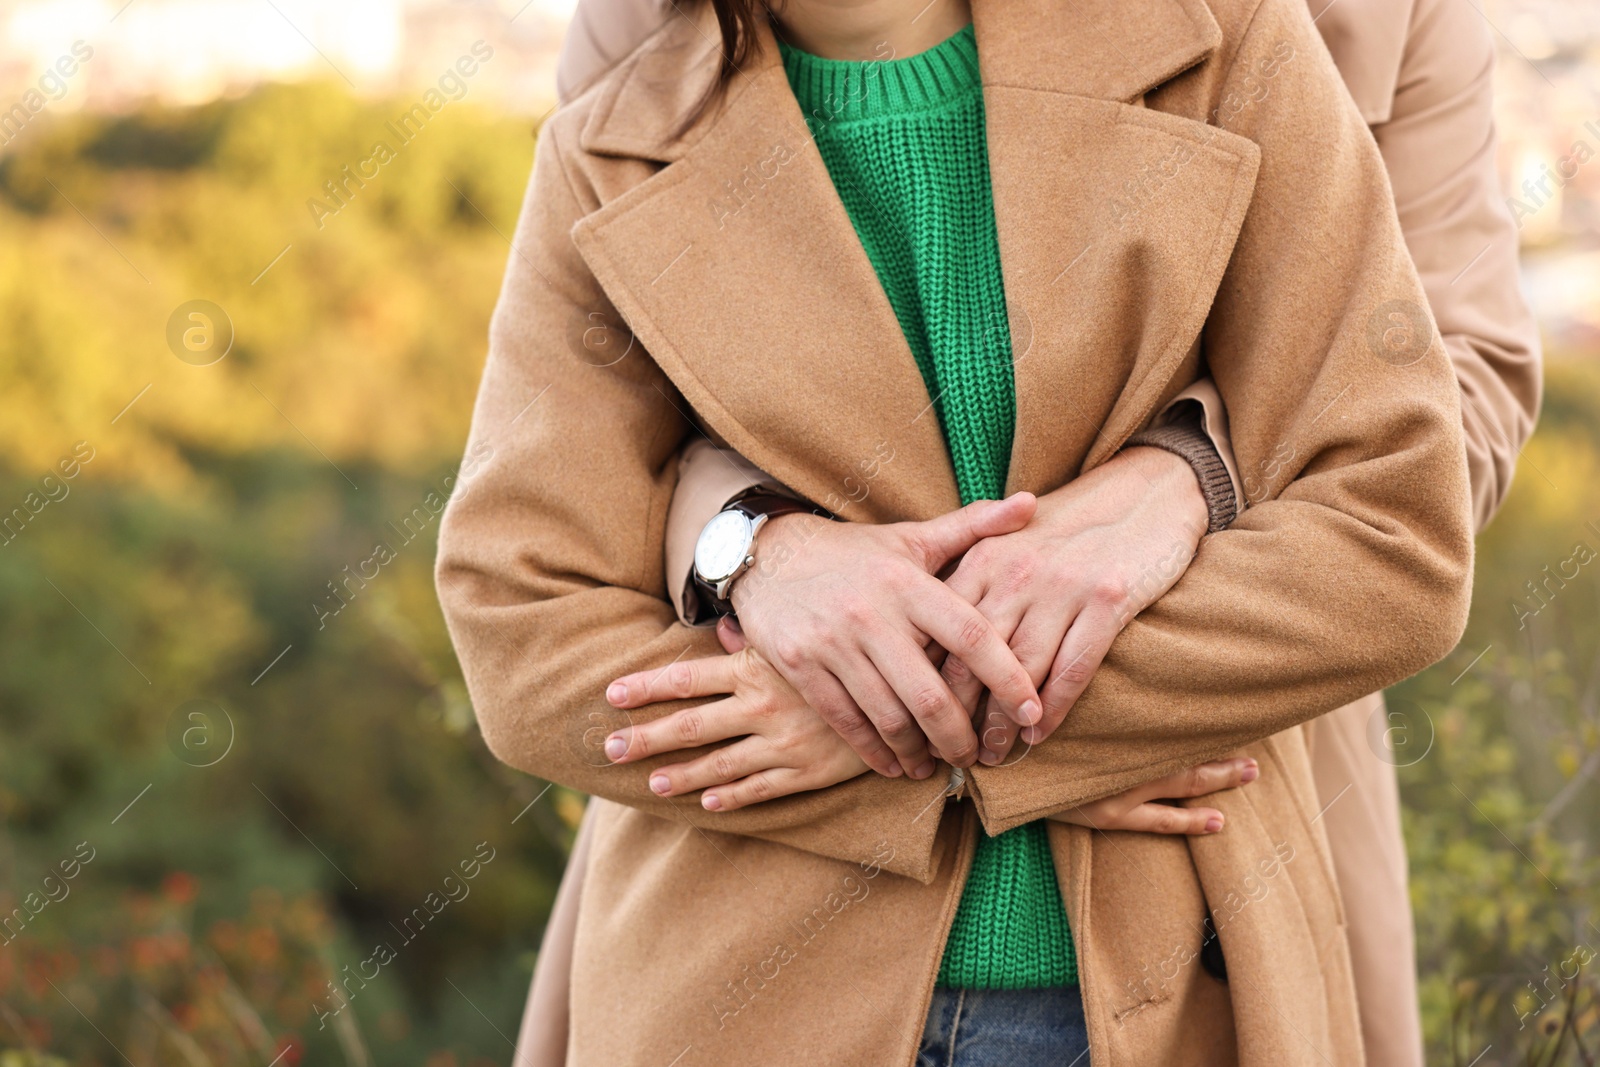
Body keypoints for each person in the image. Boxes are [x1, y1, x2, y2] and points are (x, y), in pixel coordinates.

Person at [436, 0, 1486, 1061]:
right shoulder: (612, 128)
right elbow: (521, 618)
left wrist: (878, 705)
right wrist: (765, 558)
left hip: (1159, 968)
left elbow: (1395, 528)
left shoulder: (1236, 41)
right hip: (733, 993)